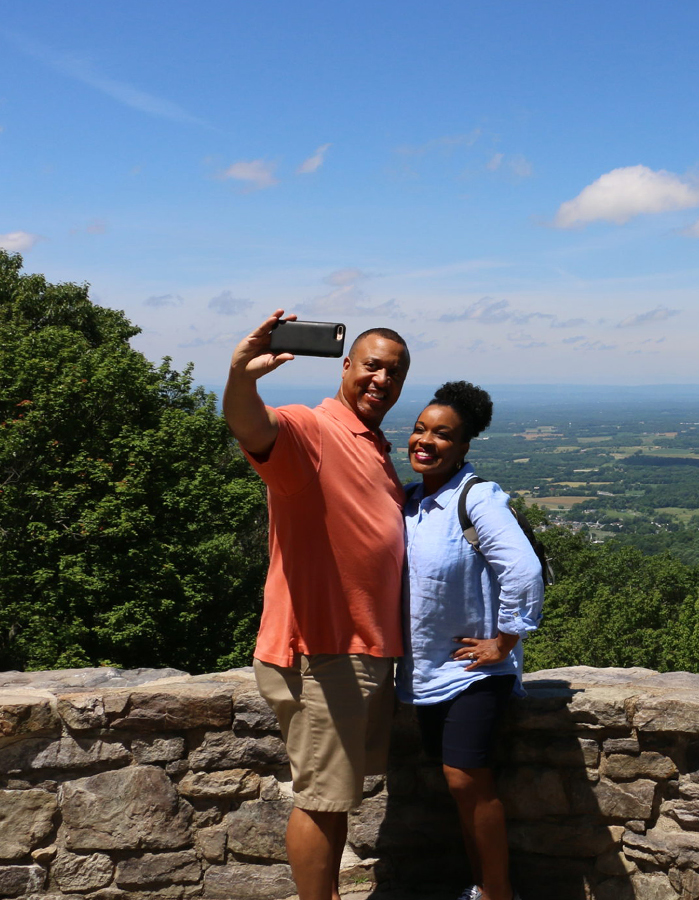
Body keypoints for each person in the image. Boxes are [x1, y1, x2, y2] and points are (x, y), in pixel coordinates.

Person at [223, 310, 411, 900]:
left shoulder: (371, 442)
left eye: (395, 372)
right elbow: (253, 428)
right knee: (322, 800)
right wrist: (240, 378)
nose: (382, 379)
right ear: (347, 365)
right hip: (322, 652)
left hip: (355, 649)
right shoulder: (313, 428)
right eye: (372, 366)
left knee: (336, 800)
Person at [402, 381, 543, 900]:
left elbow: (523, 570)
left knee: (467, 781)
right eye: (420, 429)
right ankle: (480, 886)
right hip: (423, 672)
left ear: (463, 447)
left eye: (442, 435)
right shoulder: (412, 501)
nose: (425, 441)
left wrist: (503, 641)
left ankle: (499, 893)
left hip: (472, 673)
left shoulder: (476, 497)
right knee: (458, 786)